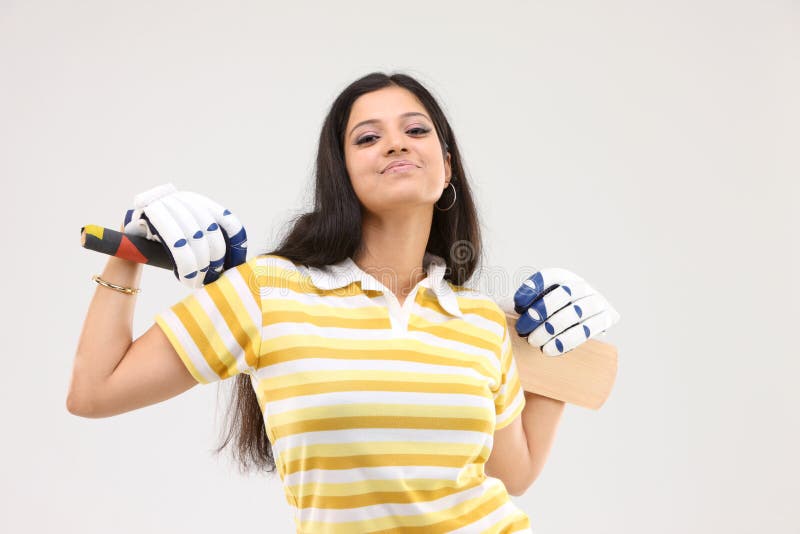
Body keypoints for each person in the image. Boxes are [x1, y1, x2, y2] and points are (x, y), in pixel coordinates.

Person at [69, 71, 617, 533]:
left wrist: (561, 347)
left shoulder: (478, 320)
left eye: (416, 130)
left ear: (446, 166)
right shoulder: (267, 292)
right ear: (342, 173)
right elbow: (94, 392)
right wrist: (127, 253)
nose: (396, 144)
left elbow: (512, 475)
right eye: (368, 138)